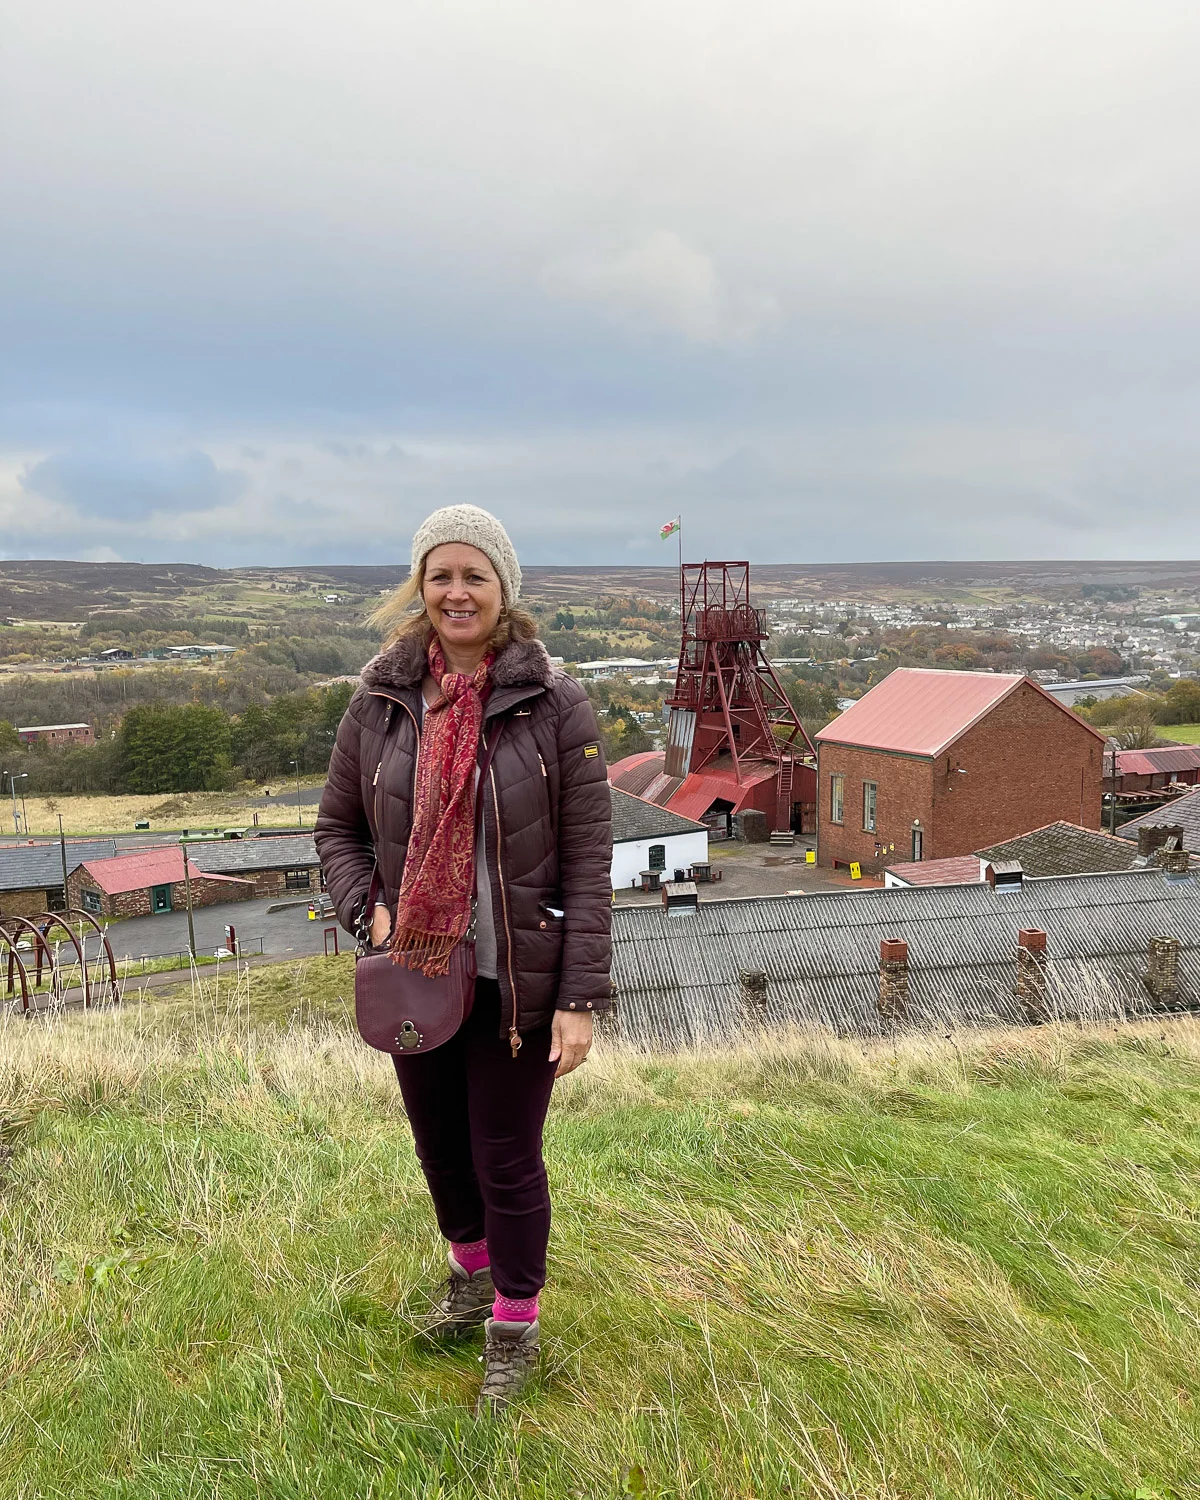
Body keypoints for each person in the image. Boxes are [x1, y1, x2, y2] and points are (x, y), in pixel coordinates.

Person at [315, 504, 612, 1416]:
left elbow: (585, 862)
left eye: (473, 575)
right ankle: (469, 1277)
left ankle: (513, 1328)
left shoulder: (555, 705)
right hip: (417, 972)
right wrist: (368, 909)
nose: (455, 592)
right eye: (440, 575)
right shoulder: (381, 702)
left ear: (503, 590)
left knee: (506, 1156)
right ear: (419, 586)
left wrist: (580, 995)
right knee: (440, 1147)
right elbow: (337, 830)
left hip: (519, 982)